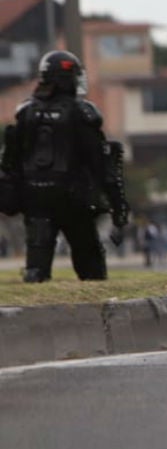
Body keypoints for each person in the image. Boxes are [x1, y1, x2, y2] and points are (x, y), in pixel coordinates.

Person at [1, 51, 127, 282]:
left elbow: (9, 163)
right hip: (73, 200)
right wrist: (118, 208)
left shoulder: (26, 113)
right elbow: (101, 166)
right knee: (91, 267)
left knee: (36, 266)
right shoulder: (82, 114)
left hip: (34, 199)